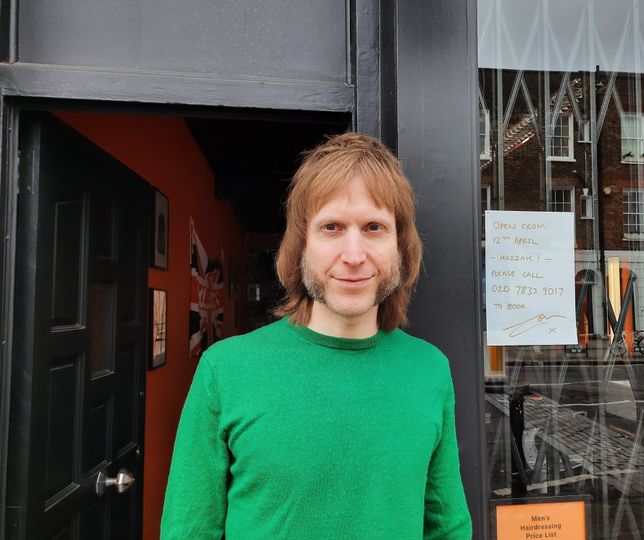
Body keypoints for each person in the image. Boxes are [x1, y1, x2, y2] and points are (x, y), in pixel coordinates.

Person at [160, 133, 472, 539]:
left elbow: (448, 526)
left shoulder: (430, 369)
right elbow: (188, 529)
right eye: (332, 227)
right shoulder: (226, 368)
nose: (354, 254)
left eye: (374, 227)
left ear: (401, 246)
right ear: (301, 245)